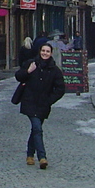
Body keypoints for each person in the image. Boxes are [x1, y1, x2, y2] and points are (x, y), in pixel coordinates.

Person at [15, 41, 65, 169]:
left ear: (51, 53)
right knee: (37, 128)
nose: (45, 53)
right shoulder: (31, 64)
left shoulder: (54, 70)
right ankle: (42, 157)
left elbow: (60, 89)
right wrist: (28, 71)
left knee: (35, 130)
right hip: (30, 102)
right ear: (39, 51)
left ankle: (30, 154)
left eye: (47, 51)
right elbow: (19, 76)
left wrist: (49, 100)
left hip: (43, 104)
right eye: (43, 51)